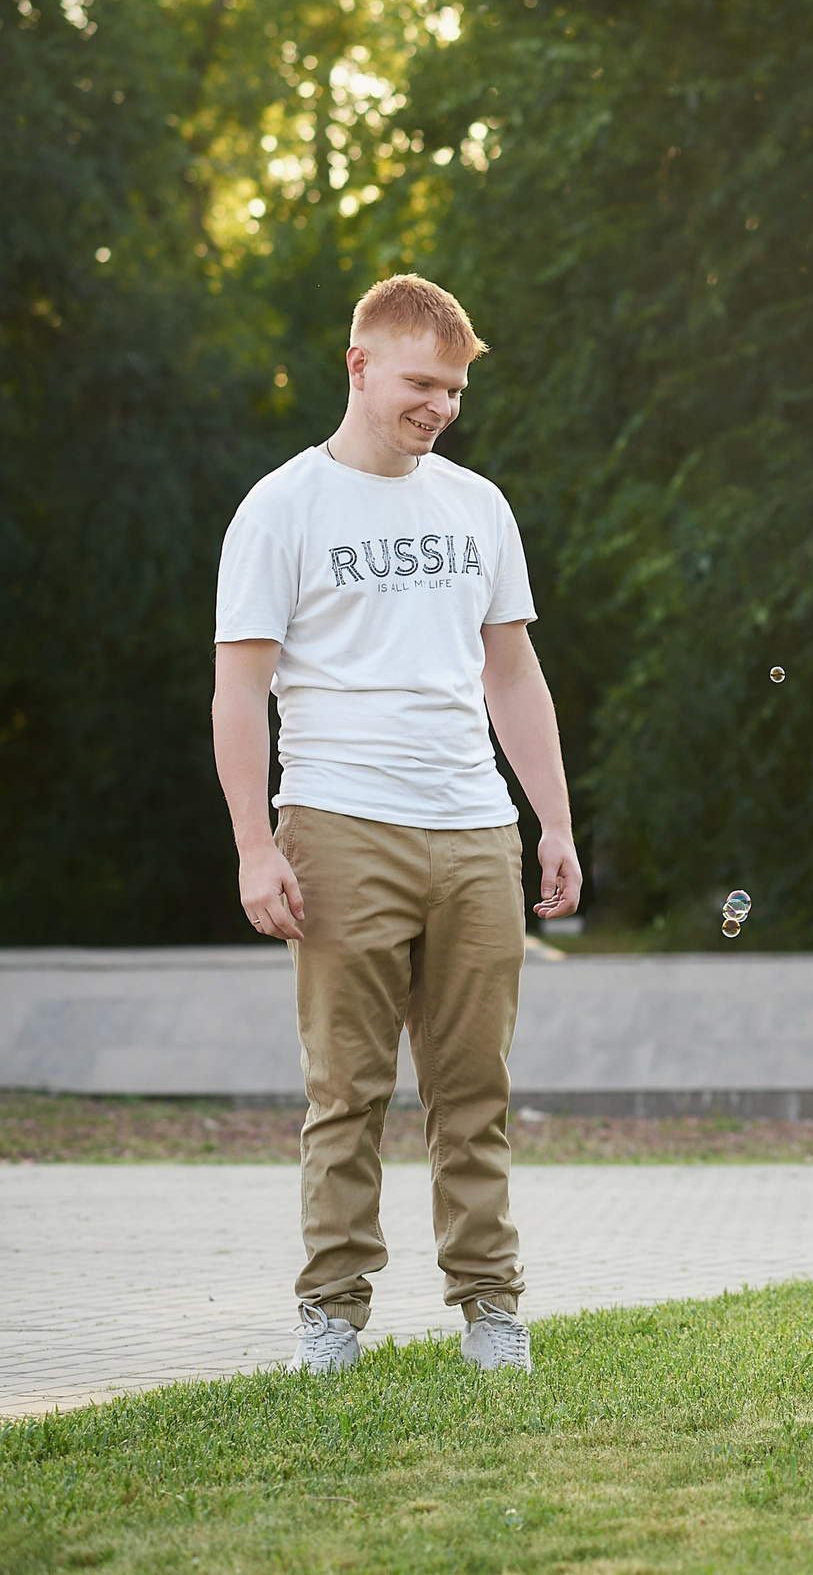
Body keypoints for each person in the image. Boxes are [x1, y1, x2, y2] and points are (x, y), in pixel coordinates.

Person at [211, 275, 581, 1377]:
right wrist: (254, 842)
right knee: (350, 1090)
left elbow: (513, 674)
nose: (443, 406)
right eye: (424, 383)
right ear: (359, 365)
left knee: (475, 1090)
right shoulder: (282, 506)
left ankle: (490, 1305)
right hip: (338, 824)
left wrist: (552, 821)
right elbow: (239, 691)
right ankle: (332, 1309)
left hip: (474, 830)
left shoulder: (477, 505)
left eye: (457, 388)